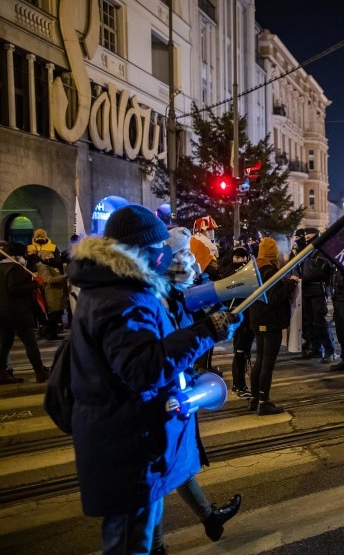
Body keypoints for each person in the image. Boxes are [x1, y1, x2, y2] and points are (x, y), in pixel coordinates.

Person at [66, 204, 242, 554]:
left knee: (145, 538)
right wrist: (206, 332)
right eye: (162, 247)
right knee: (133, 544)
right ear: (142, 250)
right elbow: (143, 369)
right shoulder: (121, 297)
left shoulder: (118, 288)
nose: (167, 254)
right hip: (128, 444)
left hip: (134, 441)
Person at [152, 227, 242, 553]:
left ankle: (209, 517)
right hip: (159, 402)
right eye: (183, 259)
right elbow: (164, 351)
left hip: (175, 397)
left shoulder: (172, 295)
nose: (190, 266)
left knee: (177, 463)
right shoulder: (154, 300)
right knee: (158, 474)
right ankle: (157, 545)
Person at [249, 237, 299, 415]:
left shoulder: (255, 269)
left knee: (260, 361)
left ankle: (255, 399)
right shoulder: (270, 271)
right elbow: (275, 297)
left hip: (257, 319)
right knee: (267, 364)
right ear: (273, 254)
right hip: (270, 322)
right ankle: (264, 402)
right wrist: (291, 283)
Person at [0, 241, 49, 384]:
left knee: (5, 345)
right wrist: (36, 283)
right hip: (18, 313)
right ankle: (39, 371)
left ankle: (2, 373)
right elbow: (15, 288)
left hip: (3, 313)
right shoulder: (16, 268)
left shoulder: (3, 267)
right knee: (30, 343)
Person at [293, 228, 335, 362]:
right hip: (306, 290)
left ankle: (329, 350)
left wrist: (305, 276)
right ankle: (316, 349)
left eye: (309, 237)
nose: (306, 239)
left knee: (320, 322)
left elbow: (322, 272)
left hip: (317, 290)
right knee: (309, 322)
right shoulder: (306, 252)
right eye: (305, 237)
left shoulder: (321, 252)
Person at [220, 246, 256, 397]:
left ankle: (239, 384)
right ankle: (239, 385)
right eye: (239, 258)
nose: (240, 261)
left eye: (242, 258)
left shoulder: (227, 270)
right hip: (241, 317)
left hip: (237, 317)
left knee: (241, 351)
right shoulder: (237, 272)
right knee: (240, 351)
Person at [35, 249, 70, 341]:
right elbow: (49, 280)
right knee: (53, 315)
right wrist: (65, 276)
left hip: (58, 294)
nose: (50, 257)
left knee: (57, 315)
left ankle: (52, 334)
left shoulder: (53, 266)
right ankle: (47, 332)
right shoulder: (43, 267)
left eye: (51, 255)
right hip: (52, 294)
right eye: (47, 256)